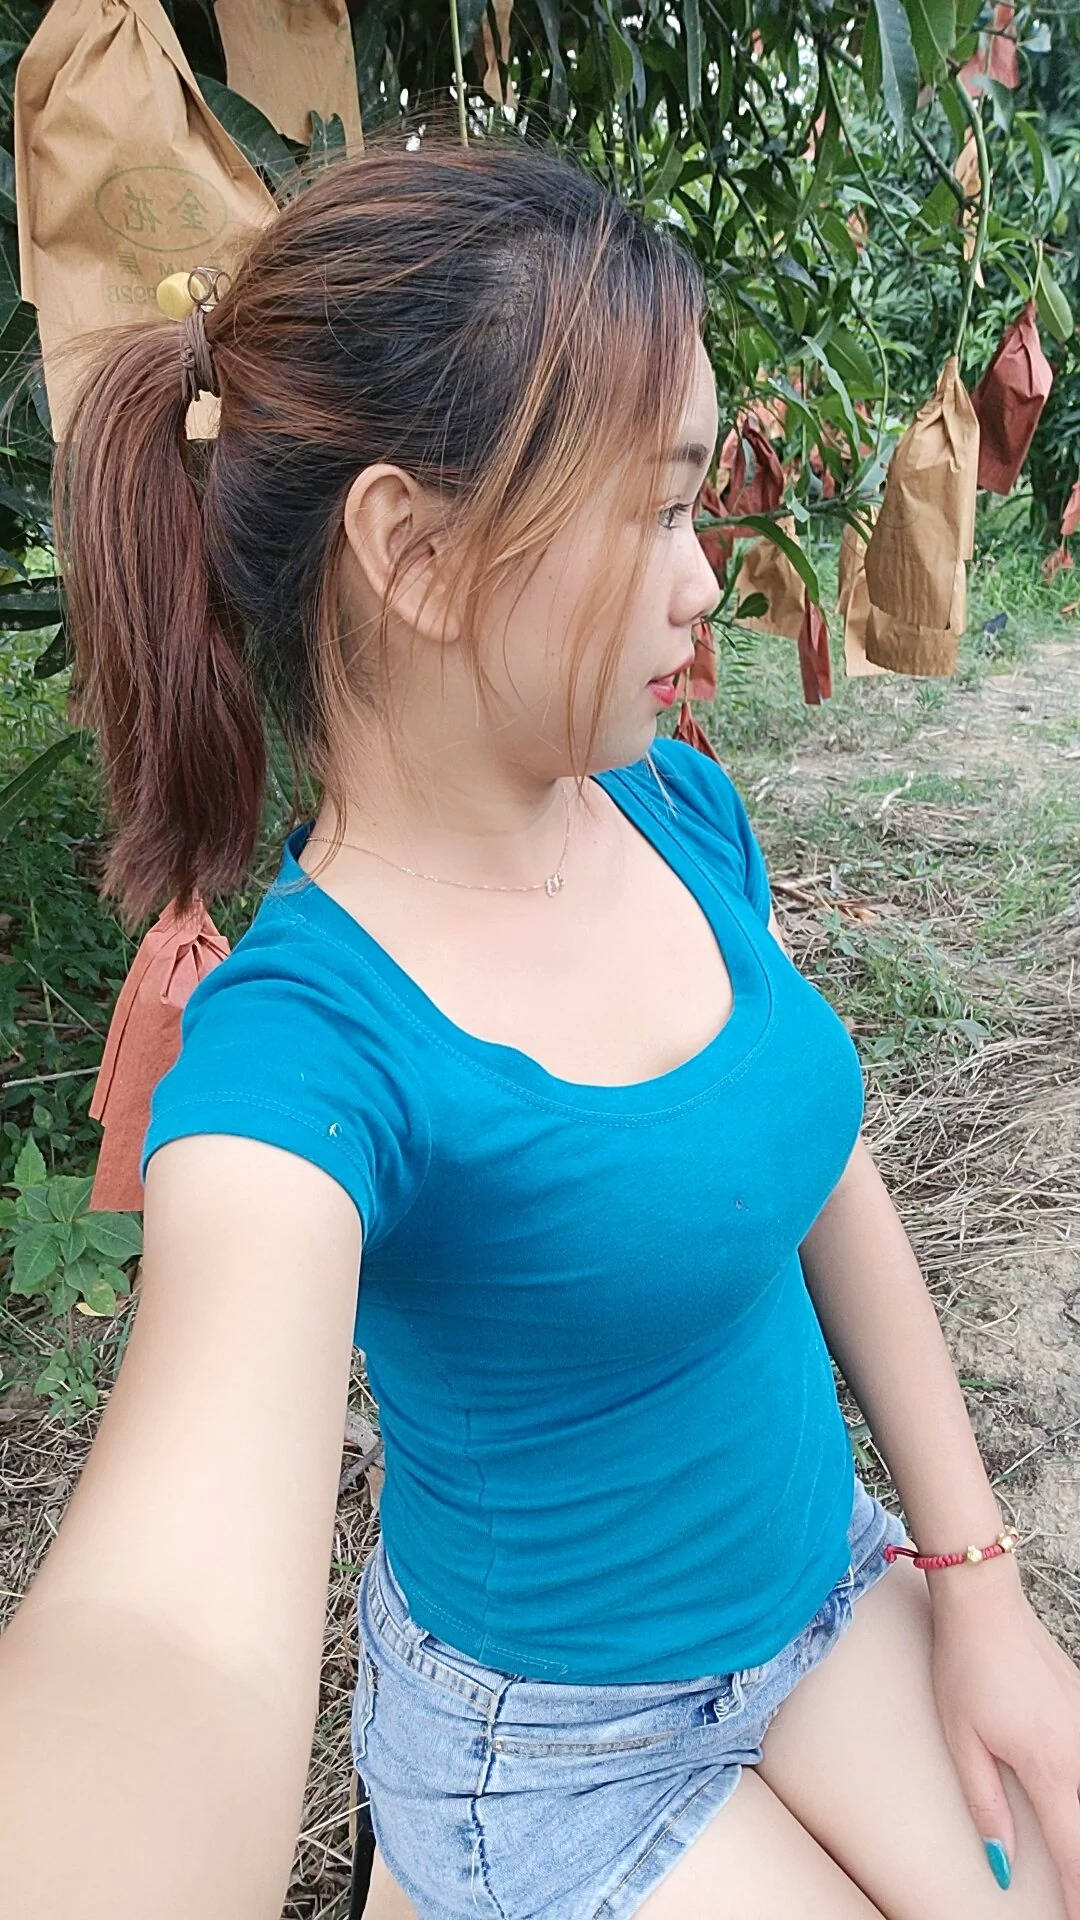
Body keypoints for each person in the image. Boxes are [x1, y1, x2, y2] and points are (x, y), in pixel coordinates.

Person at [0, 130, 1077, 1920]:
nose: (705, 581)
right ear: (417, 553)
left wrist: (978, 1581)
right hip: (559, 1761)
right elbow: (162, 1629)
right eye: (654, 510)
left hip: (821, 1596)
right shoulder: (304, 1053)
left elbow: (816, 1168)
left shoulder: (673, 811)